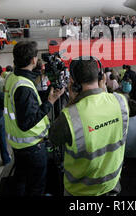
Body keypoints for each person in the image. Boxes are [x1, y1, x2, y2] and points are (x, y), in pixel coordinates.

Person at [49, 57, 129, 196]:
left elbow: (52, 138)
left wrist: (72, 102)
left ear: (74, 84)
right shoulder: (120, 101)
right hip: (112, 184)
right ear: (101, 77)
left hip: (80, 191)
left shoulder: (69, 116)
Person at [4, 41, 63, 196]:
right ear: (33, 60)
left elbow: (27, 104)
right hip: (32, 146)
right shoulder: (23, 87)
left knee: (21, 180)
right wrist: (50, 102)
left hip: (19, 144)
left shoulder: (13, 77)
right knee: (36, 186)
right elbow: (26, 123)